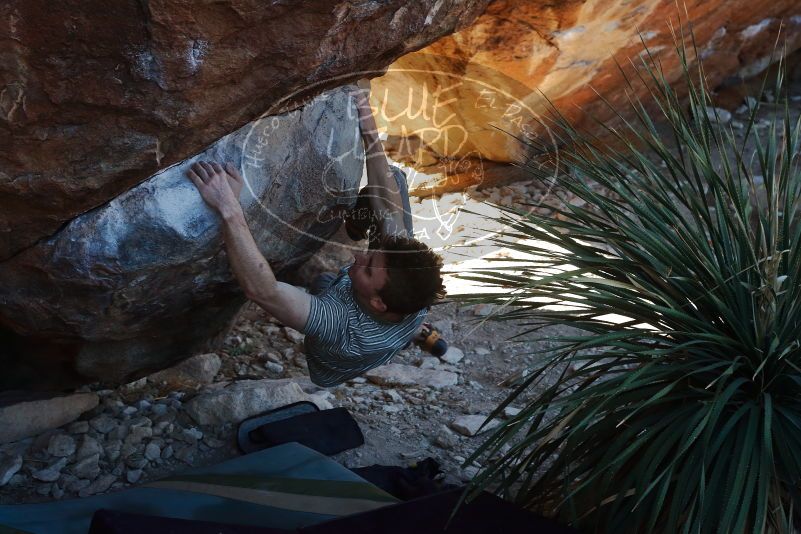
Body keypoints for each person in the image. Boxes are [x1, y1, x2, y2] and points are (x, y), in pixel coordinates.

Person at [187, 82, 445, 387]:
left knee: (323, 281)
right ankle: (411, 327)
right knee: (395, 183)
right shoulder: (408, 280)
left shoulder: (341, 324)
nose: (358, 255)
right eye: (372, 255)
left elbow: (264, 291)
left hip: (331, 363)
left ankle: (406, 331)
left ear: (377, 302)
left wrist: (228, 206)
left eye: (369, 267)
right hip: (394, 313)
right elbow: (386, 199)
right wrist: (367, 120)